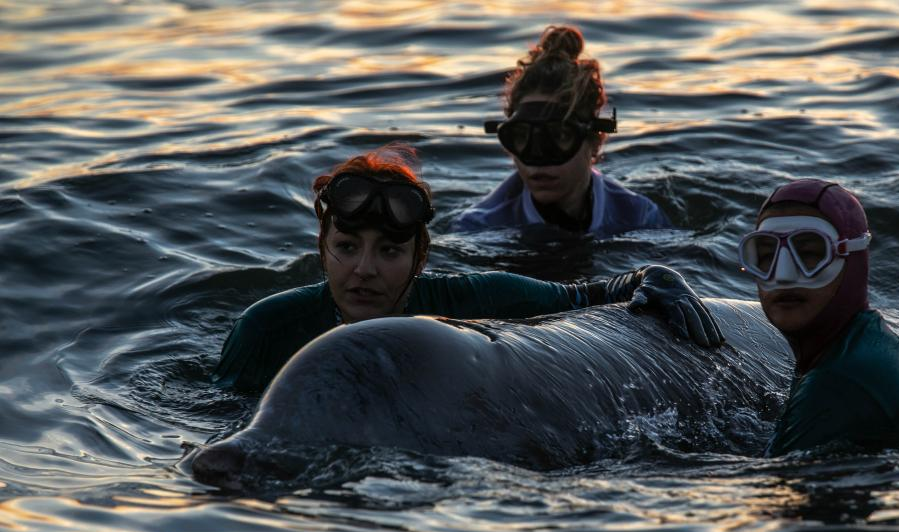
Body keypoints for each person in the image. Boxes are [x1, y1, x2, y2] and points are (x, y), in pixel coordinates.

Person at [213, 146, 722, 393]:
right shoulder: (265, 331)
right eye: (347, 247)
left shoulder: (469, 302)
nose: (363, 270)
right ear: (322, 248)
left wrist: (654, 276)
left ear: (420, 258)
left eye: (390, 252)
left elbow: (587, 296)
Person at [738, 178, 899, 456]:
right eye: (765, 255)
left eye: (811, 254)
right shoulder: (865, 341)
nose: (784, 275)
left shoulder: (836, 385)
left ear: (853, 261)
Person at [451, 25, 673, 237]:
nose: (537, 160)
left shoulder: (640, 218)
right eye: (521, 137)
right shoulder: (480, 227)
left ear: (595, 142)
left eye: (560, 136)